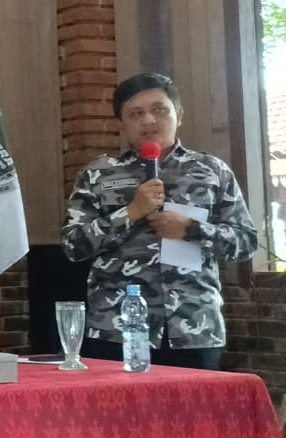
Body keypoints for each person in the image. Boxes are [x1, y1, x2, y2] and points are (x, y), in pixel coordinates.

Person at [62, 72, 258, 370]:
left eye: (159, 110)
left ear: (179, 115)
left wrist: (192, 229)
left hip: (194, 327)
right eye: (136, 114)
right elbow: (72, 246)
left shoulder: (211, 170)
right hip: (115, 328)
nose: (149, 121)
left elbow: (246, 241)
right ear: (121, 124)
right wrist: (130, 212)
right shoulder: (99, 173)